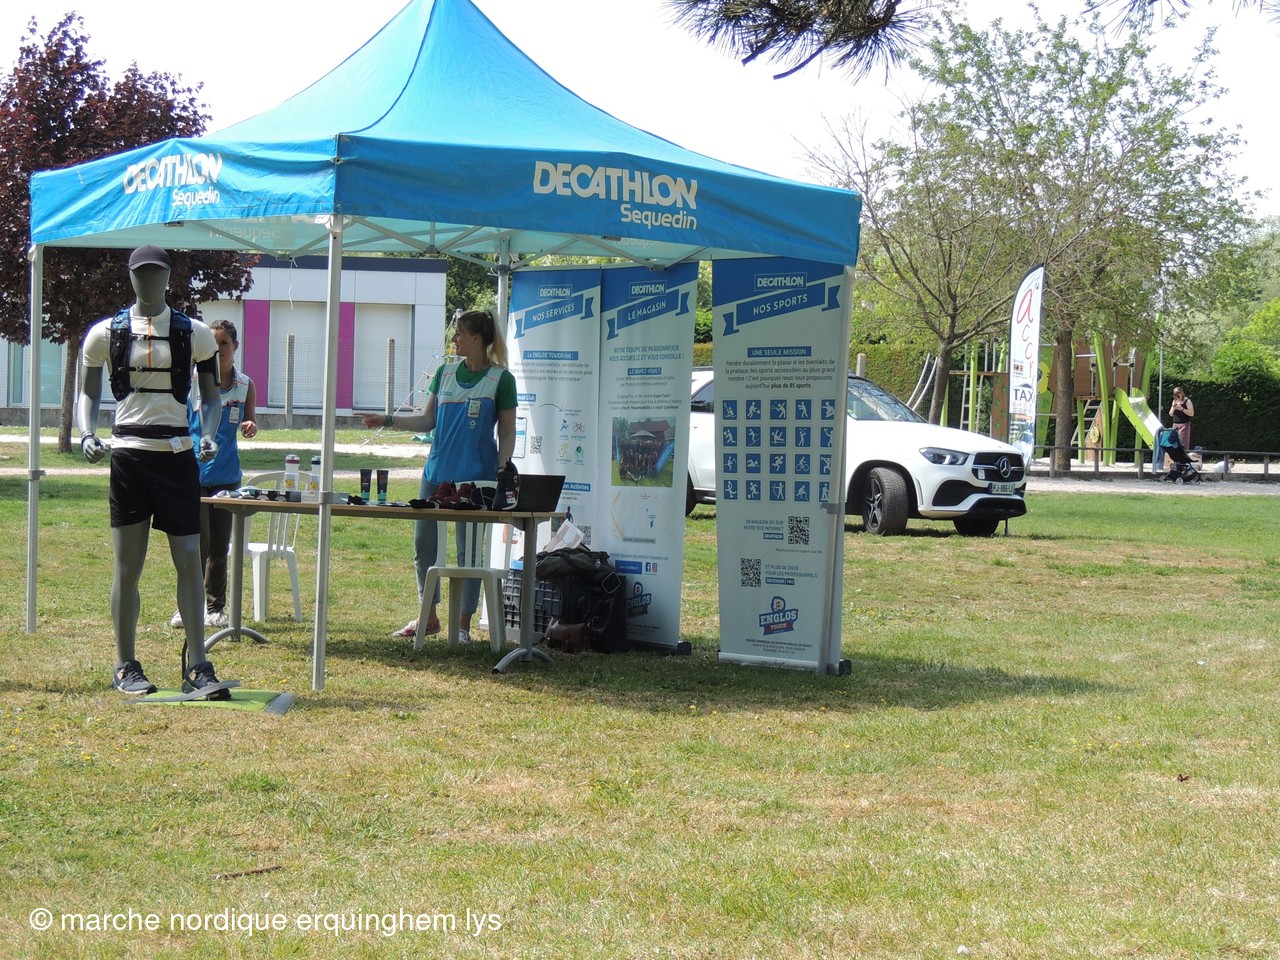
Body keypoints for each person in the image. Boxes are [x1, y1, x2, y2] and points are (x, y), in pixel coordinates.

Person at [77, 245, 236, 699]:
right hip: (129, 457)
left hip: (177, 456)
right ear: (130, 277)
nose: (149, 281)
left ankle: (198, 664)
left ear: (168, 277)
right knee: (128, 567)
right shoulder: (104, 333)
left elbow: (211, 397)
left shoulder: (195, 333)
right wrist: (87, 432)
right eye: (141, 273)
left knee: (189, 559)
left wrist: (209, 434)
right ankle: (125, 664)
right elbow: (87, 393)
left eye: (157, 273)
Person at [361, 309, 517, 643]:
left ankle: (462, 625)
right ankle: (428, 617)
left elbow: (506, 432)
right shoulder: (444, 373)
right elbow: (426, 421)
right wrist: (387, 420)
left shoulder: (501, 379)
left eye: (459, 334)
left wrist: (503, 469)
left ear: (476, 339)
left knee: (469, 555)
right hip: (435, 477)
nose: (454, 339)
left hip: (476, 482)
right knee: (424, 548)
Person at [174, 319, 258, 631]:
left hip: (227, 476)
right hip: (193, 474)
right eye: (214, 342)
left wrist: (250, 426)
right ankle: (186, 607)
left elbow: (250, 421)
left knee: (220, 547)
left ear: (235, 346)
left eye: (224, 343)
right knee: (196, 544)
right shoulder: (191, 382)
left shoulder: (245, 385)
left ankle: (215, 608)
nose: (219, 348)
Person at [1169, 386, 1195, 454]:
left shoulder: (1187, 401)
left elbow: (1192, 413)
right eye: (1175, 395)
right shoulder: (1174, 401)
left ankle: (1183, 456)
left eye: (1179, 394)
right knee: (1174, 442)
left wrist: (1182, 409)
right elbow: (1171, 414)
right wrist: (1173, 407)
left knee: (1182, 442)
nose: (1178, 396)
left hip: (1184, 425)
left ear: (1182, 393)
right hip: (1175, 425)